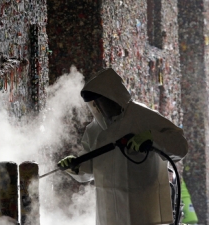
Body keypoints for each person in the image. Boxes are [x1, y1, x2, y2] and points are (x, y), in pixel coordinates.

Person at [58, 68, 188, 225]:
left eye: (102, 101)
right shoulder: (95, 130)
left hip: (142, 209)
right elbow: (90, 169)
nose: (99, 107)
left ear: (113, 97)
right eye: (95, 103)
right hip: (108, 212)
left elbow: (180, 146)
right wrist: (76, 166)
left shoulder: (143, 117)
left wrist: (152, 136)